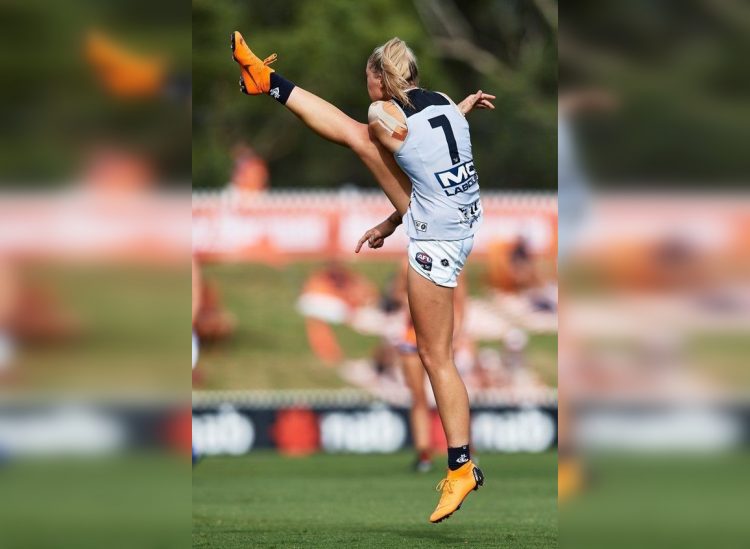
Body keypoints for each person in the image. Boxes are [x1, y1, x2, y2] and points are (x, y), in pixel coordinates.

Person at [231, 31, 494, 523]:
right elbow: (429, 162)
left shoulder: (381, 115)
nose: (365, 87)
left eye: (367, 78)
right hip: (451, 219)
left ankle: (461, 466)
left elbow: (383, 142)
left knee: (436, 357)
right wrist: (391, 222)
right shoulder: (442, 105)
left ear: (381, 78)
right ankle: (267, 82)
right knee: (359, 139)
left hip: (438, 240)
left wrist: (376, 139)